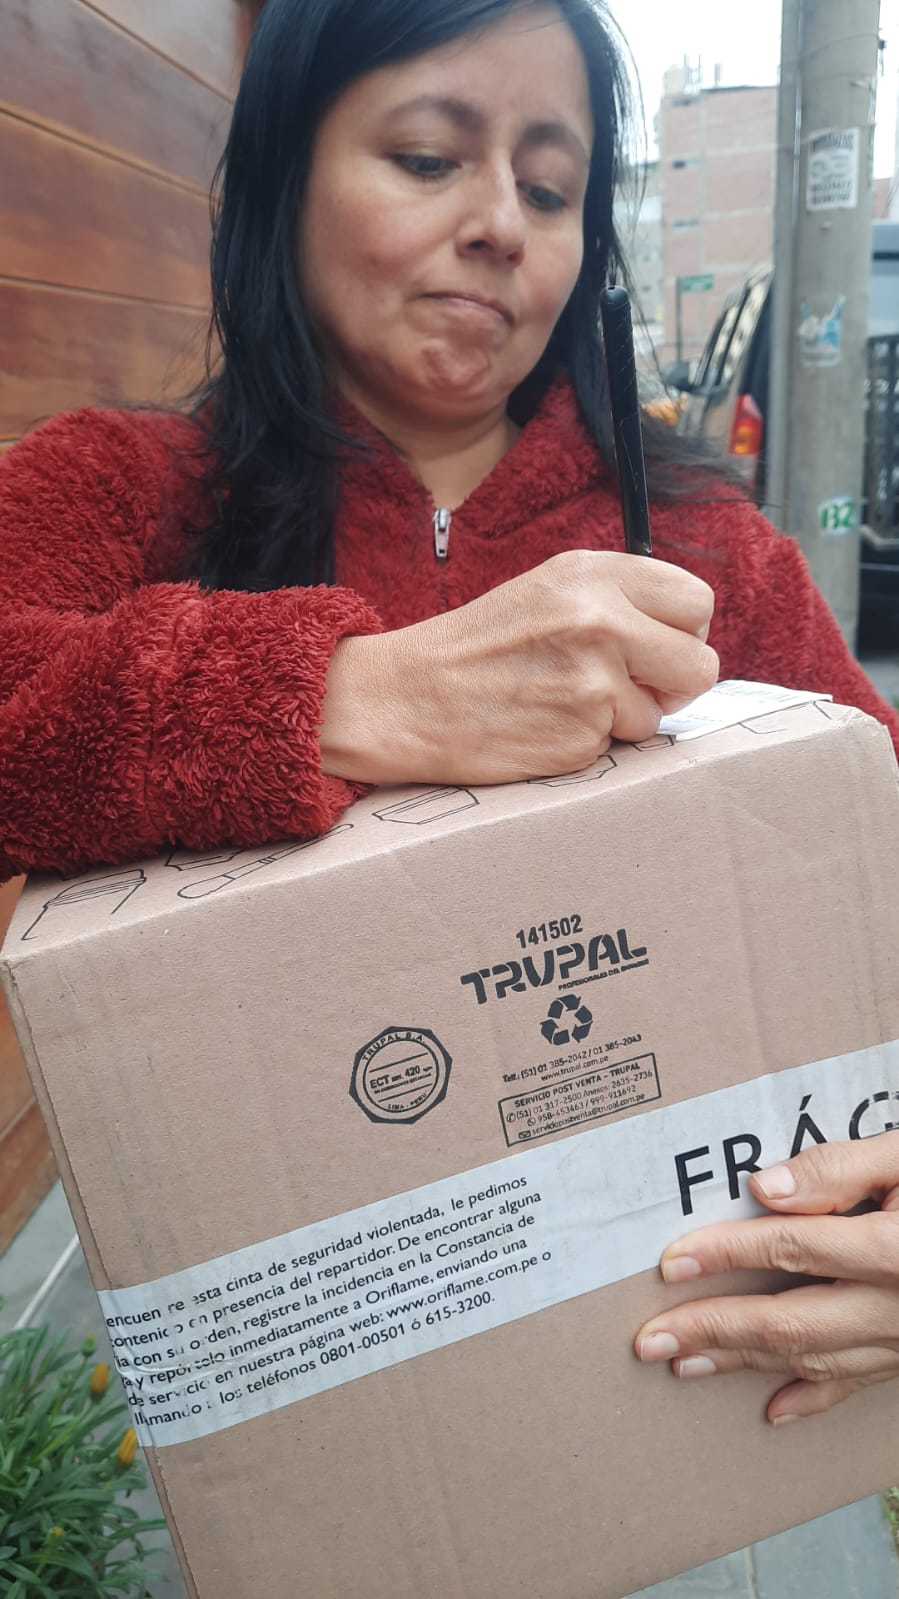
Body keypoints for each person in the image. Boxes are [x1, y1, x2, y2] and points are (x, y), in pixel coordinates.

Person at [2, 0, 898, 1444]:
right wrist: (344, 693)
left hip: (695, 1362)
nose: (498, 225)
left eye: (549, 187)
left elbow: (879, 859)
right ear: (285, 174)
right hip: (312, 1364)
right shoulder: (126, 488)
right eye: (427, 158)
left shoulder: (706, 554)